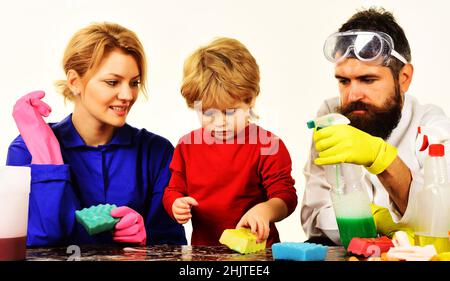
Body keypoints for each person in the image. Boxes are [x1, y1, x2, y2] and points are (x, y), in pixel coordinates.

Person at [7, 22, 187, 246]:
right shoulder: (27, 148)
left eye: (134, 83)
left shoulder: (156, 152)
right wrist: (47, 153)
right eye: (112, 82)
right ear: (75, 82)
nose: (127, 95)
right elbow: (36, 242)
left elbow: (173, 247)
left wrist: (146, 238)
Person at [301, 7, 450, 246]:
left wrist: (383, 160)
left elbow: (442, 220)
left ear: (404, 78)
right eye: (343, 81)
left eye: (368, 80)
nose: (353, 94)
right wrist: (373, 220)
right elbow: (314, 216)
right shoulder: (331, 116)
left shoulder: (430, 125)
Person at [162, 37, 298, 246]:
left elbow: (286, 196)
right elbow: (173, 191)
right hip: (204, 253)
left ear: (250, 100)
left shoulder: (267, 144)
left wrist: (265, 210)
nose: (220, 123)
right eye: (208, 113)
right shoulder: (187, 146)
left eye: (230, 112)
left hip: (258, 252)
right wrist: (175, 205)